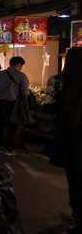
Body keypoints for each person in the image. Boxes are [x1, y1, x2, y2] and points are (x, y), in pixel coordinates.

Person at [45, 47, 82, 234]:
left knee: (74, 180)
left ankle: (77, 216)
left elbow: (49, 108)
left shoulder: (58, 81)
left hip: (69, 139)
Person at [0, 56, 29, 154]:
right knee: (12, 126)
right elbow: (25, 93)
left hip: (0, 102)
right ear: (18, 65)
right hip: (14, 104)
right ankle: (9, 148)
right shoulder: (22, 76)